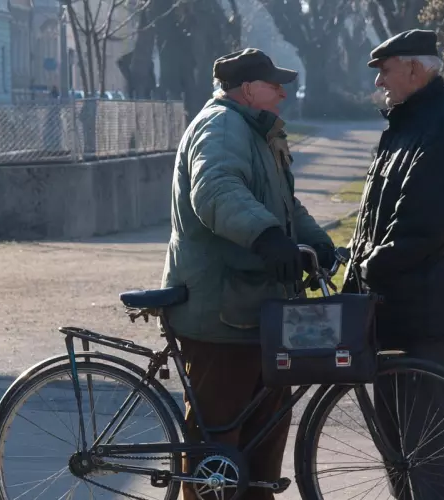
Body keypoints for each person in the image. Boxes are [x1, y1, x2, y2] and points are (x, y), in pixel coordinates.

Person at [160, 48, 335, 500]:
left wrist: (318, 242)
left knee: (264, 433)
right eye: (273, 84)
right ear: (247, 89)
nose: (283, 91)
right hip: (221, 311)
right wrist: (267, 238)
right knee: (218, 439)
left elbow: (285, 205)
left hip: (257, 308)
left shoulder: (257, 131)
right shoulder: (221, 128)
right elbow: (216, 191)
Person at [343, 29, 444, 499]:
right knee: (398, 447)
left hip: (423, 308)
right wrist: (353, 263)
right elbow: (373, 218)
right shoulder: (404, 126)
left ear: (415, 69)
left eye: (386, 69)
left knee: (427, 448)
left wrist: (367, 267)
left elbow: (421, 224)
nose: (380, 80)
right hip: (392, 307)